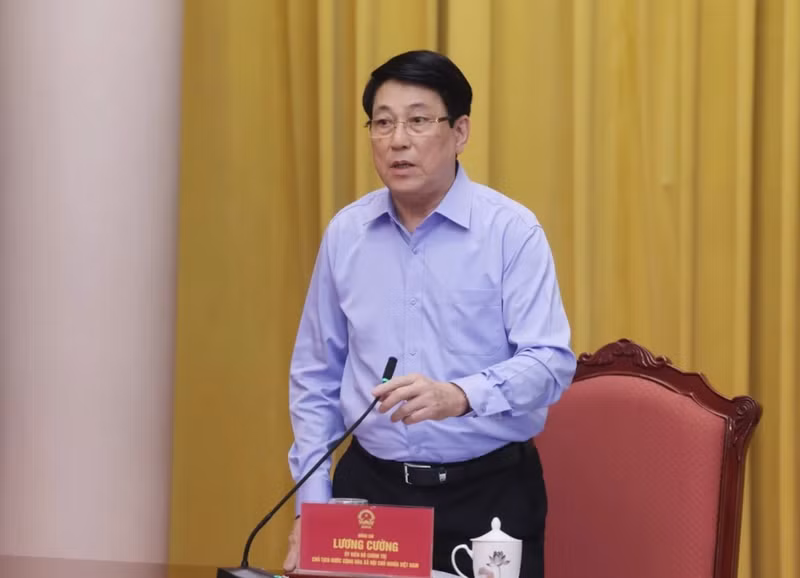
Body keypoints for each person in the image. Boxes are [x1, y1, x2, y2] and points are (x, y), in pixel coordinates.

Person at [283, 49, 576, 578]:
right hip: (369, 495)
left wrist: (459, 395)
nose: (398, 140)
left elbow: (550, 362)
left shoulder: (511, 232)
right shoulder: (347, 235)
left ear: (460, 131)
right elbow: (315, 377)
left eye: (418, 121)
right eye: (383, 122)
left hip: (487, 498)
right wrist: (314, 504)